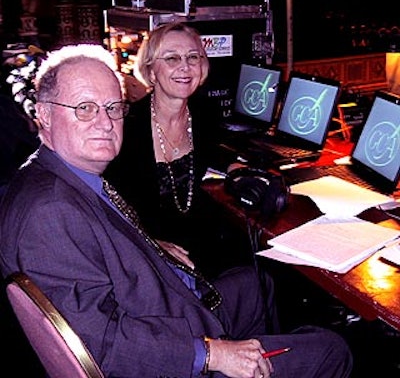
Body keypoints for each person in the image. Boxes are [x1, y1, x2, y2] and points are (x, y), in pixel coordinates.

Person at [0, 44, 353, 378]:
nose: (106, 123)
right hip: (162, 352)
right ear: (43, 114)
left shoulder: (54, 177)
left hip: (157, 309)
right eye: (85, 108)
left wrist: (147, 246)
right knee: (332, 349)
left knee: (255, 283)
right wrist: (213, 355)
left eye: (113, 108)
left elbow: (90, 249)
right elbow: (103, 343)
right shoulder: (49, 211)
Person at [105, 22, 254, 280]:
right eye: (172, 58)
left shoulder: (204, 112)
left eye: (193, 57)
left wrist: (235, 168)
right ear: (151, 71)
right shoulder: (126, 128)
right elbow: (107, 208)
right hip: (148, 253)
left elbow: (218, 149)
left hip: (203, 241)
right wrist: (150, 245)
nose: (185, 67)